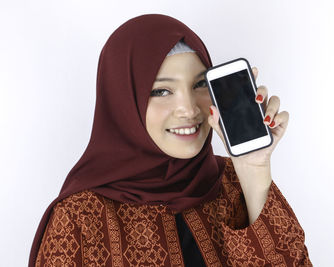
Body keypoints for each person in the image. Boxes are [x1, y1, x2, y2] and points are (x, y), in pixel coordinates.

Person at [29, 14, 312, 267]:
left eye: (200, 84)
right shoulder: (78, 218)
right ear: (123, 103)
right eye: (162, 91)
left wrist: (254, 169)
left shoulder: (234, 184)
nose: (189, 109)